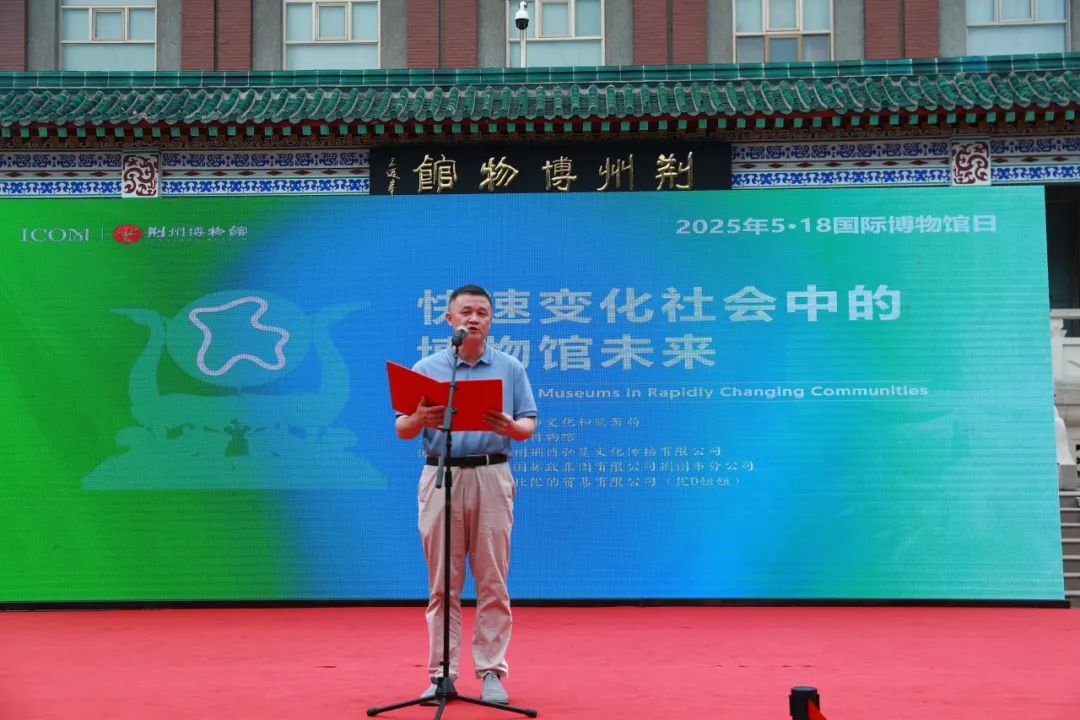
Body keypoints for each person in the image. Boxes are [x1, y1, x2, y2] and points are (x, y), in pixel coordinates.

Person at [395, 284, 537, 705]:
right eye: (466, 312)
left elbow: (528, 425)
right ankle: (442, 674)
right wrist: (418, 418)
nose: (474, 319)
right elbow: (402, 428)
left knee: (492, 579)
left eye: (482, 313)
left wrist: (510, 427)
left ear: (491, 321)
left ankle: (491, 671)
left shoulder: (509, 367)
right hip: (441, 474)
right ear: (449, 319)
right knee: (443, 583)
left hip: (491, 474)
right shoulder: (427, 368)